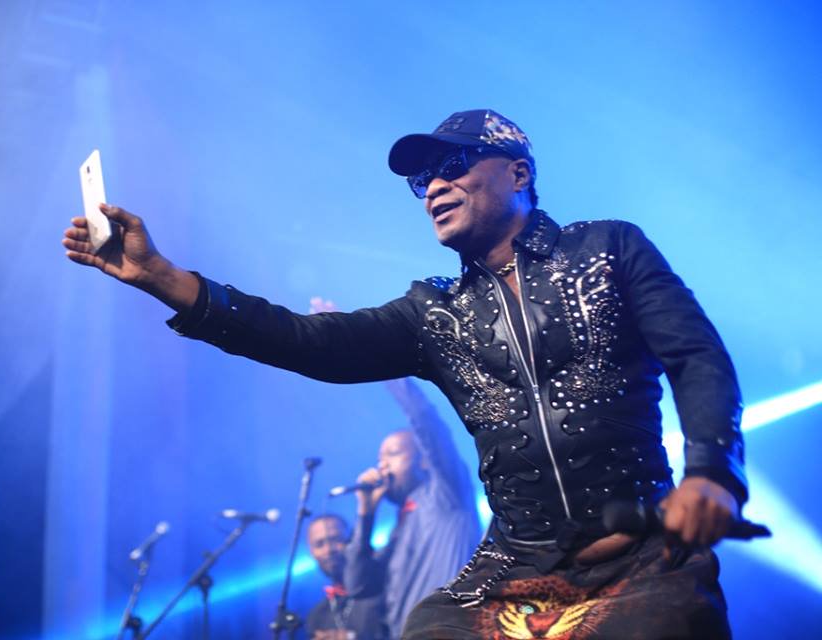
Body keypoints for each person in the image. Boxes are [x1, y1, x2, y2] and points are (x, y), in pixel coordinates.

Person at [62, 109, 747, 639]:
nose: (433, 188)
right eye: (423, 182)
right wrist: (161, 276)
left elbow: (696, 355)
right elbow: (307, 342)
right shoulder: (434, 312)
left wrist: (712, 472)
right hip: (515, 571)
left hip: (643, 558)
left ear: (517, 172)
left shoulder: (608, 248)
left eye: (453, 165)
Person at [345, 379, 480, 638]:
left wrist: (393, 374)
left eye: (393, 454)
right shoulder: (401, 524)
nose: (382, 465)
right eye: (380, 458)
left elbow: (429, 426)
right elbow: (359, 586)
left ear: (425, 461)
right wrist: (366, 515)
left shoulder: (445, 494)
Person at [305, 514, 386, 640]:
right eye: (320, 544)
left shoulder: (382, 588)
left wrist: (352, 638)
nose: (328, 550)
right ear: (312, 552)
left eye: (335, 539)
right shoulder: (316, 617)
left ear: (351, 540)